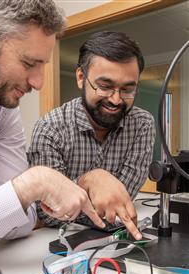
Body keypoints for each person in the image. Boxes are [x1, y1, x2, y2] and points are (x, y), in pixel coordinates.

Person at [0, 0, 105, 254]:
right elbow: (17, 200)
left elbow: (22, 222)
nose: (39, 83)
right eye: (28, 63)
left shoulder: (3, 111)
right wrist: (31, 184)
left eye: (42, 66)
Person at [29, 31, 156, 239]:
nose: (116, 100)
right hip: (60, 244)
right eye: (105, 87)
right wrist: (88, 180)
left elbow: (117, 208)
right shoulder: (49, 128)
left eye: (127, 89)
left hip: (112, 244)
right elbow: (48, 213)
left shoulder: (142, 125)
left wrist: (70, 198)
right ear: (81, 77)